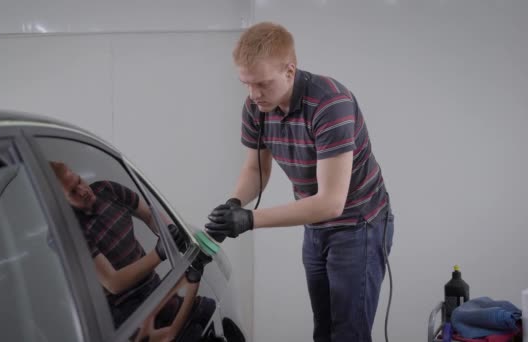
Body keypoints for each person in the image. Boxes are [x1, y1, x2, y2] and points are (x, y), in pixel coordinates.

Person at [205, 22, 394, 342]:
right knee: (324, 330)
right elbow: (255, 170)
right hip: (316, 225)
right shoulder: (256, 107)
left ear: (289, 71)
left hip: (359, 224)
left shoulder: (330, 104)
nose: (254, 94)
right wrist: (234, 203)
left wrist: (249, 219)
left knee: (348, 333)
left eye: (262, 84)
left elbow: (331, 202)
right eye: (246, 84)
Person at [49, 161, 189, 328]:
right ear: (59, 202)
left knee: (202, 314)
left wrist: (169, 231)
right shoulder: (66, 231)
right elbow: (113, 283)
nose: (83, 191)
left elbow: (150, 216)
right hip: (125, 311)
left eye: (79, 181)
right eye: (73, 192)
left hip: (153, 286)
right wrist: (159, 253)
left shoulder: (107, 189)